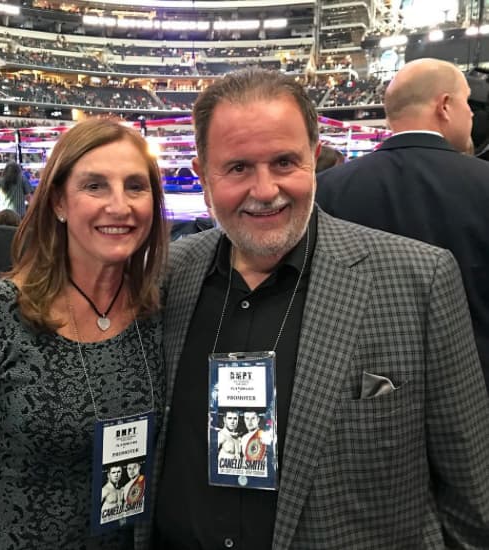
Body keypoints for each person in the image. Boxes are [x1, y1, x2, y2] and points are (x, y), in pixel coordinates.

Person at [143, 69, 489, 550]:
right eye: (238, 168)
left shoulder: (419, 278)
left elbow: (471, 498)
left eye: (284, 162)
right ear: (202, 175)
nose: (265, 190)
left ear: (313, 156)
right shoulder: (166, 275)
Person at [0, 118, 168, 550]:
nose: (120, 206)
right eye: (95, 186)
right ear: (59, 201)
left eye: (135, 186)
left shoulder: (158, 310)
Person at [316, 58, 489, 391]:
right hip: (476, 386)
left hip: (361, 392)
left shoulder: (328, 189)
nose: (471, 114)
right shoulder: (484, 183)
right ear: (445, 106)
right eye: (467, 102)